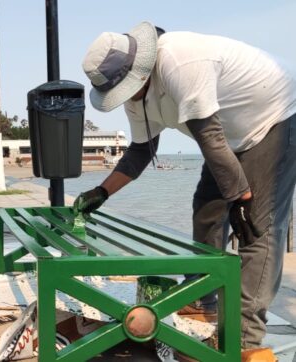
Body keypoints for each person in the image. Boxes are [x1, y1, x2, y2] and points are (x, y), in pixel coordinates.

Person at [76, 21, 296, 353]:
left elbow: (208, 135)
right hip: (231, 137)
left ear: (139, 70)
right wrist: (101, 192)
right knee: (207, 207)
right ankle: (201, 300)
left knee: (258, 229)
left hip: (277, 114)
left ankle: (244, 340)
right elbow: (140, 152)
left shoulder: (181, 61)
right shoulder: (136, 98)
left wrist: (240, 197)